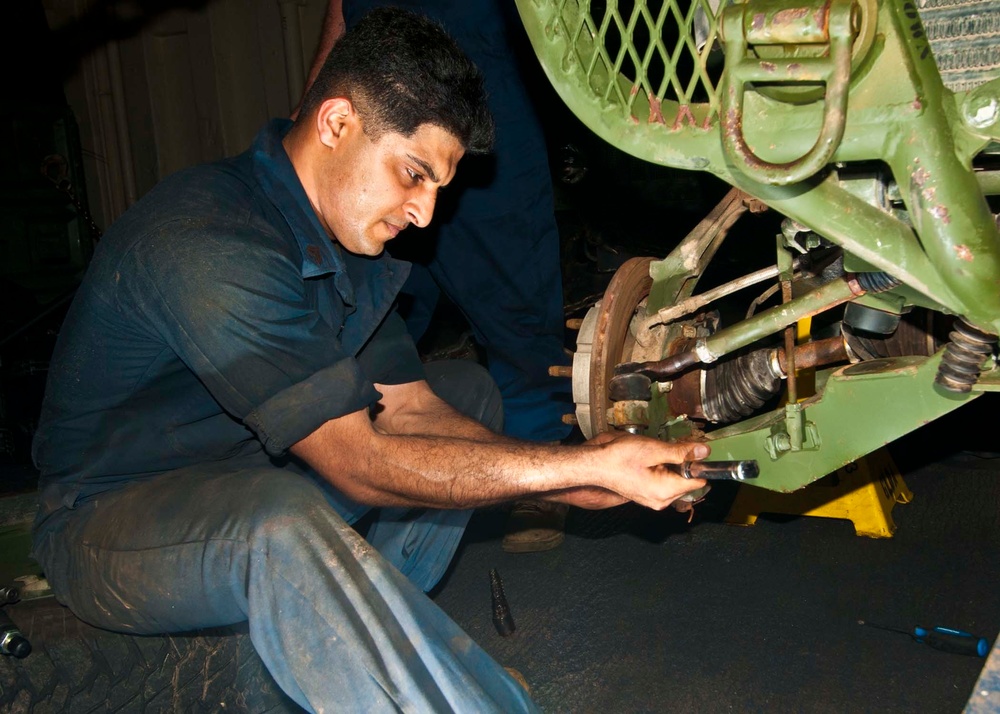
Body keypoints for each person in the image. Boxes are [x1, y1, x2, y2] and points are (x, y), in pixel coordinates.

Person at [31, 8, 710, 712]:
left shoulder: (347, 239)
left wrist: (569, 481)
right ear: (335, 124)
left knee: (465, 393)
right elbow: (356, 459)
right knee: (279, 520)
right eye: (413, 175)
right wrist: (575, 468)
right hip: (108, 520)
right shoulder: (208, 242)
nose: (424, 213)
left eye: (438, 189)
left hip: (249, 472)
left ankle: (351, 653)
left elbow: (411, 409)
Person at [303, 0, 575, 553]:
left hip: (485, 57)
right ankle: (359, 456)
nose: (426, 213)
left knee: (513, 282)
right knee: (368, 294)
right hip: (383, 47)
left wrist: (565, 472)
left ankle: (535, 444)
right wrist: (317, 92)